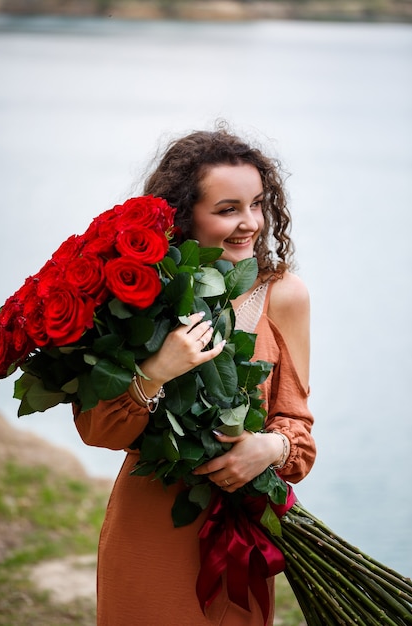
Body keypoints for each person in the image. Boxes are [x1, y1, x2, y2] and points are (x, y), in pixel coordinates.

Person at [73, 126, 316, 625]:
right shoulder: (139, 299)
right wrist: (160, 369)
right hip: (150, 526)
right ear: (184, 215)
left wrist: (268, 449)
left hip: (238, 536)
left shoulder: (284, 295)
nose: (250, 223)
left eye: (258, 204)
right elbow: (99, 431)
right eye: (227, 209)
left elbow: (299, 430)